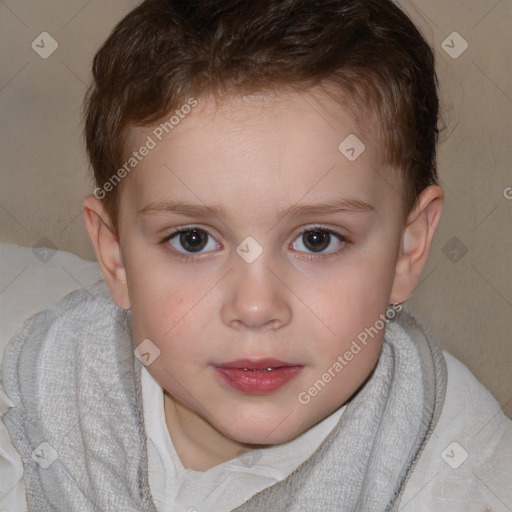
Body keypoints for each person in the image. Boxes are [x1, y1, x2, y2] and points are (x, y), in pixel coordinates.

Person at [1, 0, 511, 510]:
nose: (255, 306)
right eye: (193, 240)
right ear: (114, 257)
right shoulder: (40, 397)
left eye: (316, 239)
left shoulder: (458, 466)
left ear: (407, 249)